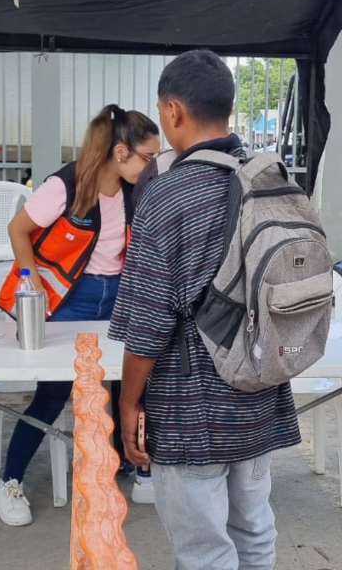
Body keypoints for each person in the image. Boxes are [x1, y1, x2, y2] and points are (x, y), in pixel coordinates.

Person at [109, 50, 300, 570]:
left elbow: (148, 322)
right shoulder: (272, 178)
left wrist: (128, 405)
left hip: (191, 405)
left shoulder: (167, 194)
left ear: (173, 111)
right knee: (255, 529)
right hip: (261, 387)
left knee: (203, 551)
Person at [0, 104, 160, 526]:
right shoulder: (65, 186)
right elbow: (18, 229)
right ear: (121, 153)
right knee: (52, 393)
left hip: (120, 293)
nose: (154, 165)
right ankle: (9, 482)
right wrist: (29, 279)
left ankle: (141, 469)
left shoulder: (136, 188)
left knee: (133, 386)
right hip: (73, 298)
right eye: (149, 156)